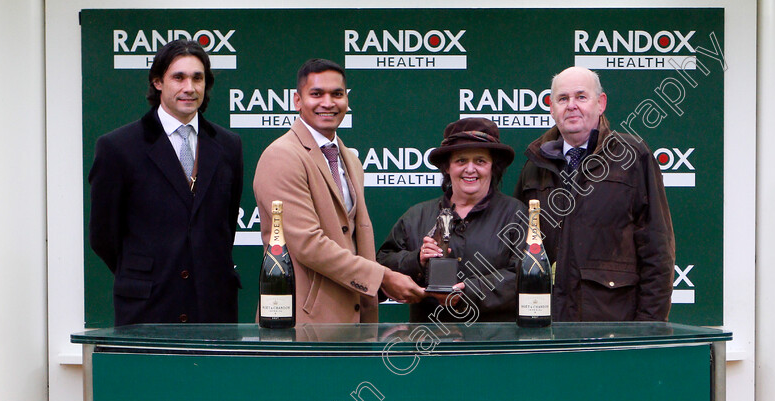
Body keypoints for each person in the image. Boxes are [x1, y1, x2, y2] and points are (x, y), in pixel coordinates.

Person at [253, 58, 424, 323]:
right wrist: (383, 278)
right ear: (298, 101)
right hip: (302, 324)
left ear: (347, 99)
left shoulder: (351, 160)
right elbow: (308, 245)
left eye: (337, 94)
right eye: (317, 94)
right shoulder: (281, 156)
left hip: (355, 320)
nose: (328, 103)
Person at [89, 40, 243, 326]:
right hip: (147, 308)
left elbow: (226, 224)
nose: (190, 87)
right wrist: (145, 271)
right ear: (158, 81)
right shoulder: (118, 147)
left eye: (198, 78)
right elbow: (103, 235)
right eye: (179, 77)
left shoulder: (229, 146)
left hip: (213, 308)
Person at [513, 66, 675, 321]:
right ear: (552, 108)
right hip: (546, 325)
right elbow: (518, 248)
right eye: (563, 99)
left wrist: (648, 331)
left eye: (581, 97)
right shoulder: (535, 163)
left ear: (601, 104)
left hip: (612, 326)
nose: (572, 105)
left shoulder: (633, 156)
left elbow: (657, 250)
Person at [378, 117, 527, 322]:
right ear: (447, 167)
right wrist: (417, 260)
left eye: (480, 161)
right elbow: (382, 266)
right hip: (429, 342)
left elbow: (524, 275)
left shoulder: (515, 214)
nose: (470, 169)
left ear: (493, 167)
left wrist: (468, 293)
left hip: (494, 344)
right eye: (461, 160)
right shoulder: (416, 216)